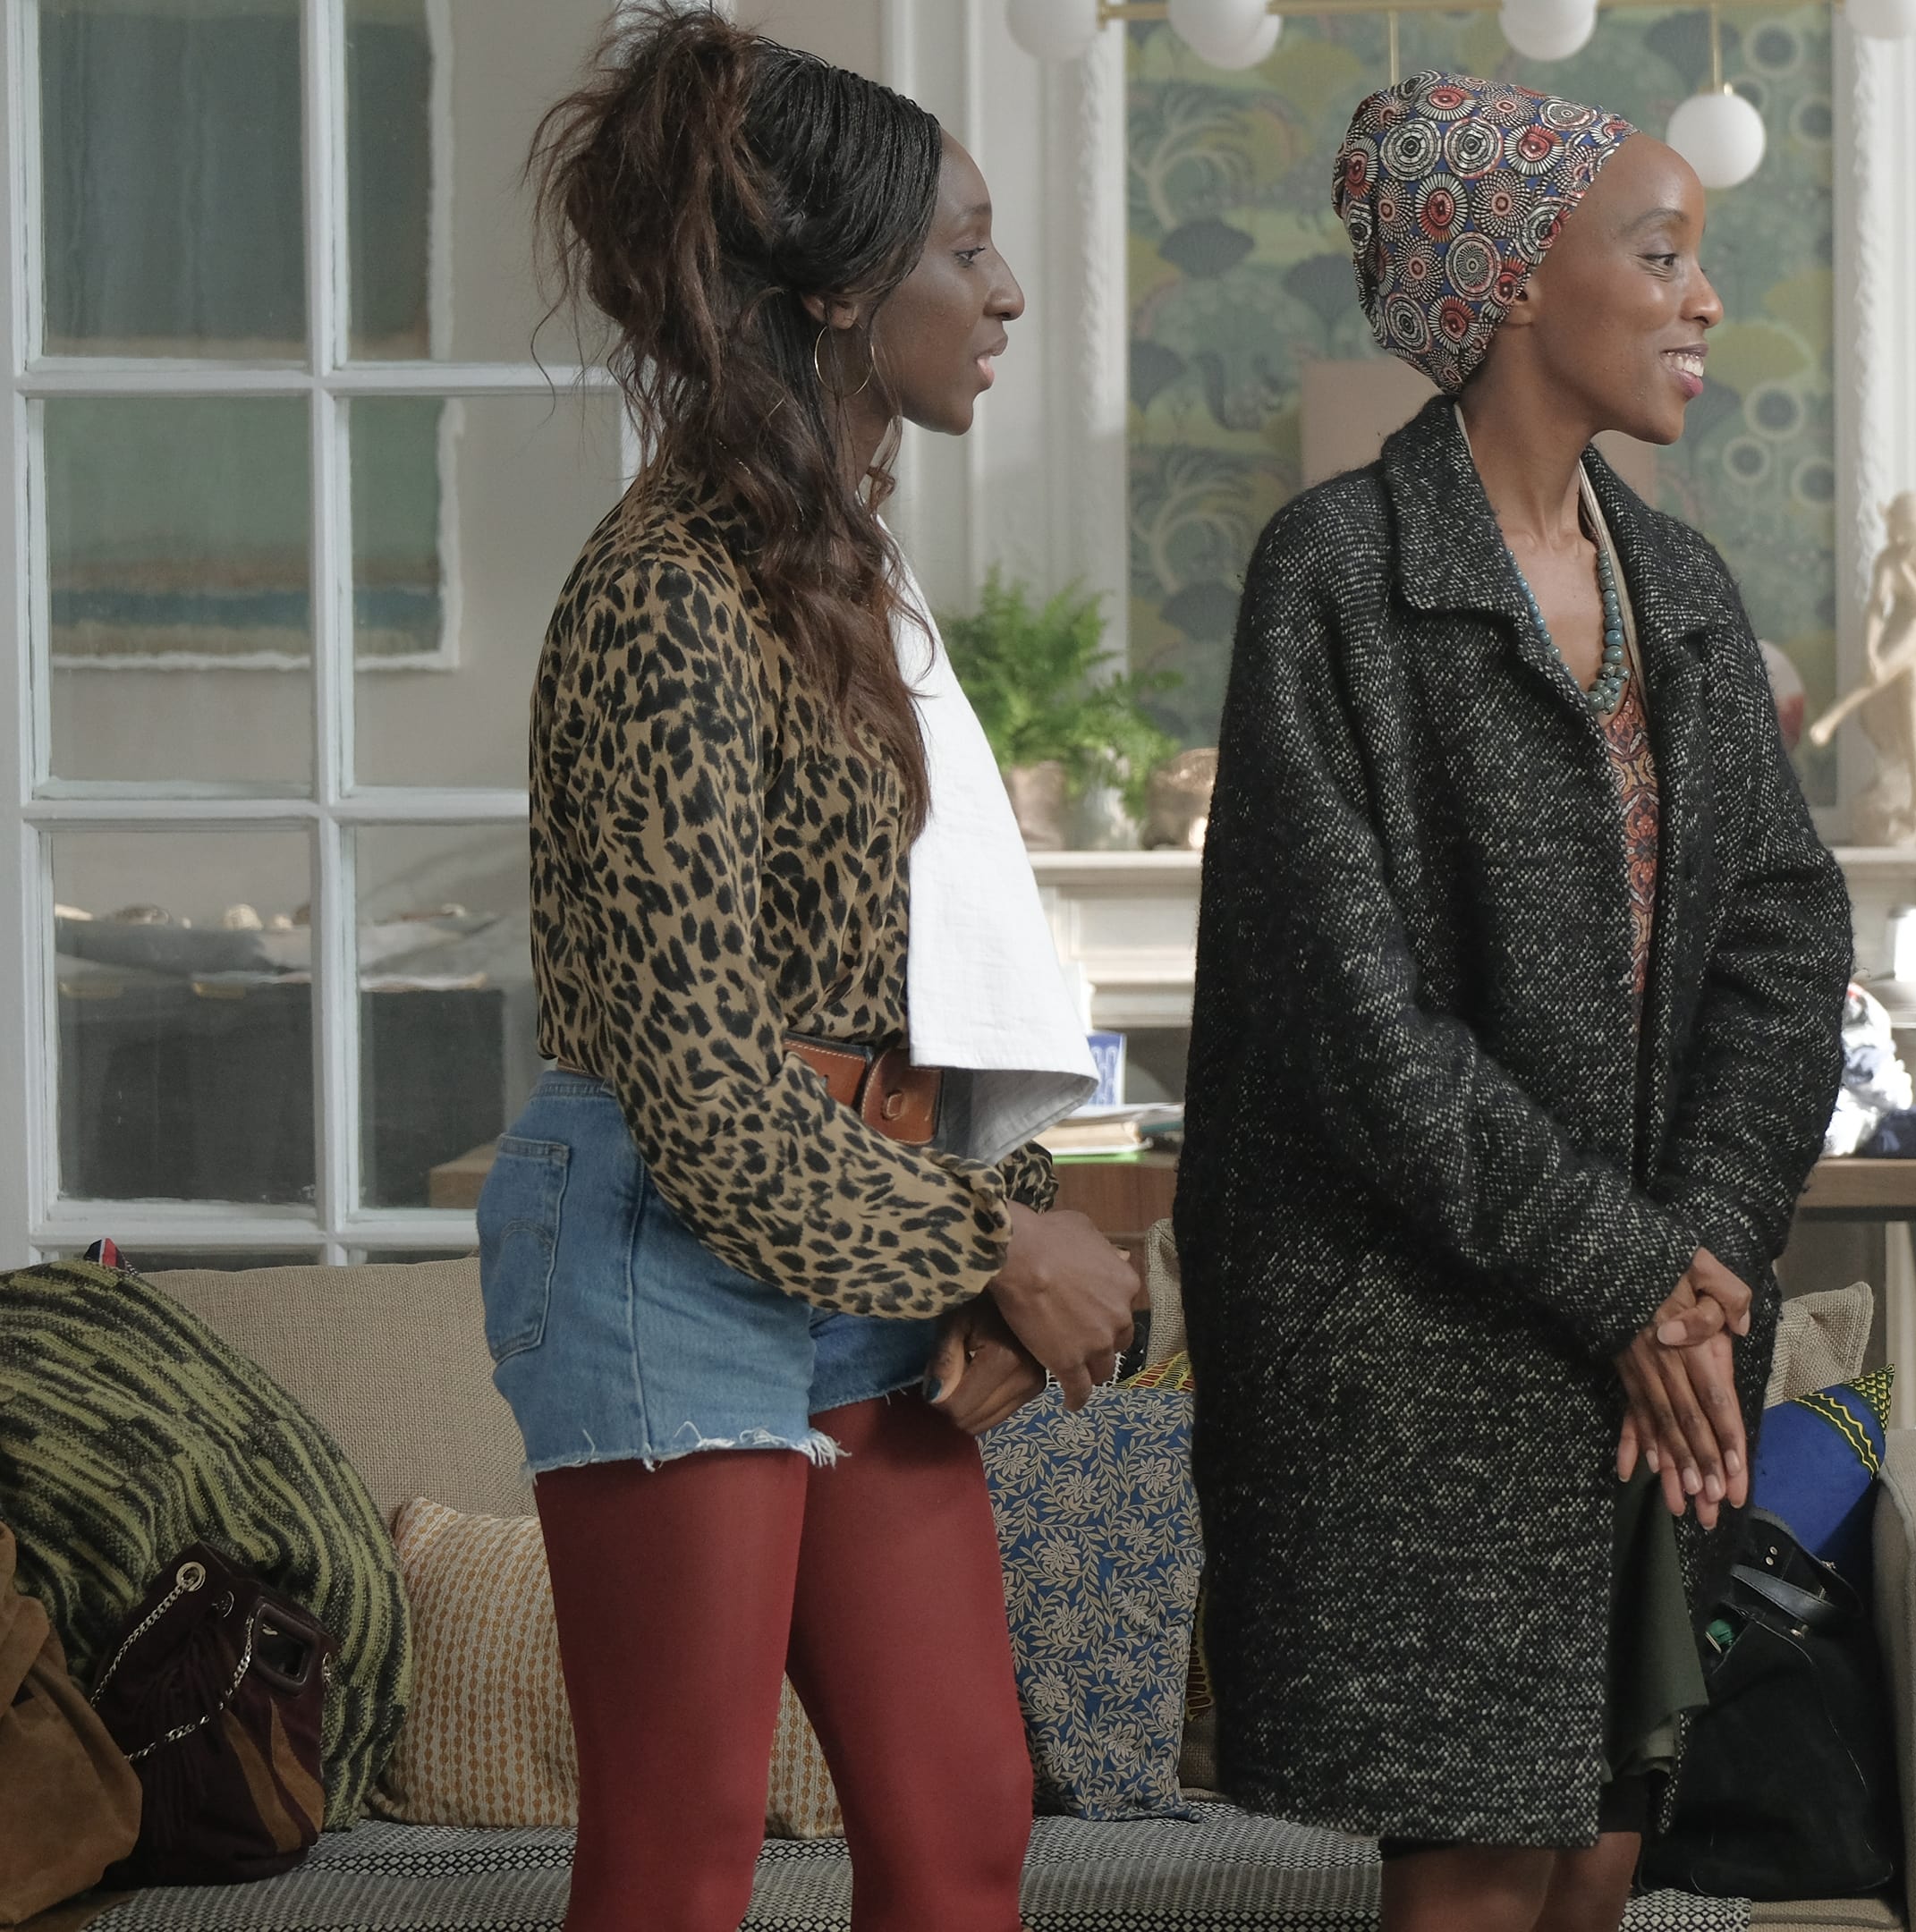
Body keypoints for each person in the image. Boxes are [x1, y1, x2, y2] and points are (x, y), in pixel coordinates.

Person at [1179, 72, 1852, 1932]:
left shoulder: (1682, 587)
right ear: (1515, 278)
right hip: (1416, 1360)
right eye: (1662, 254)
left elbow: (1787, 937)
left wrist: (1704, 1251)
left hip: (1650, 1355)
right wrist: (1633, 1278)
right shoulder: (1336, 576)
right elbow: (1354, 1024)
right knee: (1478, 1877)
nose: (1705, 298)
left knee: (1601, 1866)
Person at [487, 12, 1140, 1928]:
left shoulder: (849, 576)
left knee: (962, 1822)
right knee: (683, 1853)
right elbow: (704, 1089)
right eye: (967, 248)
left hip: (857, 1232)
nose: (1005, 292)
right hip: (668, 1243)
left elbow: (929, 992)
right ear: (843, 293)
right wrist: (997, 1244)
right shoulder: (662, 598)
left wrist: (987, 1223)